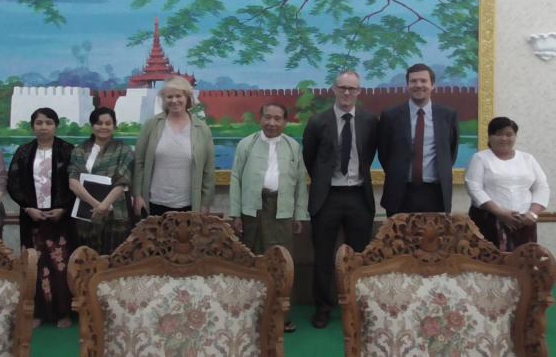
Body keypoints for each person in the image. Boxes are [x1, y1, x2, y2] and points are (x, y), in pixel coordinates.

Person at [302, 70, 378, 329]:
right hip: (327, 197)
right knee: (323, 256)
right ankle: (323, 308)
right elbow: (310, 158)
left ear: (359, 92)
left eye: (352, 88)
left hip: (359, 196)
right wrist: (324, 181)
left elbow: (370, 153)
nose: (347, 92)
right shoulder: (318, 121)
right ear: (333, 89)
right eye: (342, 87)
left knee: (358, 256)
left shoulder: (370, 121)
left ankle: (356, 306)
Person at [230, 103, 308, 333]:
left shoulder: (293, 146)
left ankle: (282, 316)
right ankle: (251, 315)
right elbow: (235, 178)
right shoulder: (247, 144)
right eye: (267, 117)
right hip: (252, 209)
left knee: (282, 262)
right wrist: (235, 213)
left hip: (281, 210)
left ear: (285, 122)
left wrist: (299, 215)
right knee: (252, 260)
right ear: (260, 118)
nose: (272, 123)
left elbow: (300, 183)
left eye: (277, 118)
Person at [7, 107, 76, 328]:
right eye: (39, 123)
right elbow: (13, 183)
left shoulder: (68, 150)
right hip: (32, 218)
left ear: (56, 126)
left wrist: (63, 208)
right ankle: (37, 312)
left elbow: (76, 182)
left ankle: (64, 313)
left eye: (48, 123)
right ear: (32, 126)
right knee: (34, 265)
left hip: (60, 218)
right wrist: (28, 208)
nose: (44, 127)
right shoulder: (24, 151)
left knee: (61, 264)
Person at [378, 63, 459, 216]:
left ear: (433, 85)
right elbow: (384, 153)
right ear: (407, 85)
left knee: (434, 233)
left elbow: (451, 152)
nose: (418, 85)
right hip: (400, 193)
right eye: (413, 81)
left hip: (436, 193)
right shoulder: (390, 116)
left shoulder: (448, 115)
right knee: (398, 233)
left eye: (423, 81)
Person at [133, 76, 215, 216]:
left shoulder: (202, 129)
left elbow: (208, 170)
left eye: (178, 96)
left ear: (187, 97)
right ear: (164, 99)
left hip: (189, 205)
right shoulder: (152, 125)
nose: (174, 100)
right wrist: (137, 195)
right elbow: (139, 162)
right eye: (169, 97)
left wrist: (205, 203)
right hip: (154, 202)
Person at [465, 117, 549, 251]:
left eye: (509, 134)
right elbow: (474, 188)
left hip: (524, 223)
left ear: (515, 136)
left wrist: (533, 214)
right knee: (489, 261)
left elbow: (542, 186)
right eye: (498, 134)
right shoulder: (480, 158)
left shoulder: (527, 158)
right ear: (489, 136)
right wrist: (500, 212)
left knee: (523, 261)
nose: (504, 138)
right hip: (489, 222)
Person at [69, 107, 134, 254]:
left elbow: (123, 181)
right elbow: (73, 182)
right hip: (86, 213)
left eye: (108, 123)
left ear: (114, 126)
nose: (103, 127)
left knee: (113, 257)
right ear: (92, 126)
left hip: (115, 213)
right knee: (87, 258)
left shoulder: (124, 150)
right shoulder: (79, 150)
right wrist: (97, 206)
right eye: (99, 123)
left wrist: (104, 206)